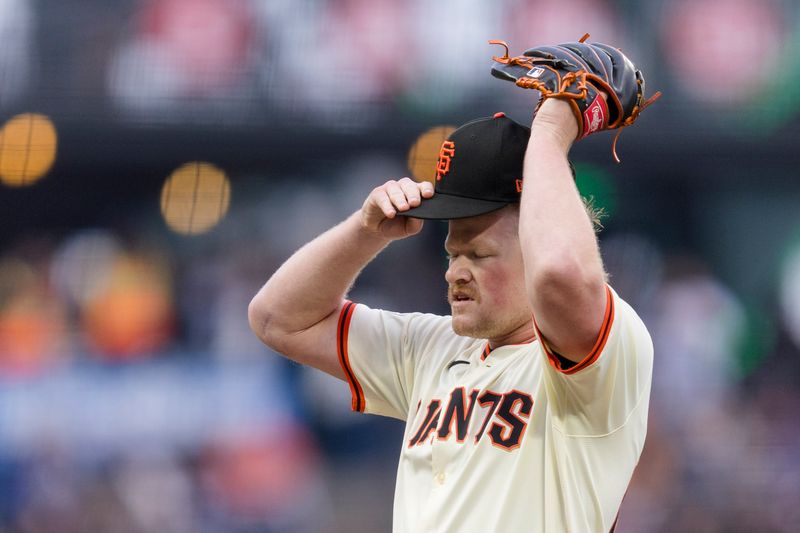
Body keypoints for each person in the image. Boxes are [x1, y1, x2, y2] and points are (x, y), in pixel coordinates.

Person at [248, 97, 653, 532]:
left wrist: (552, 133)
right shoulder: (430, 347)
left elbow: (560, 275)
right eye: (452, 253)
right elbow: (277, 318)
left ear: (535, 247)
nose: (457, 272)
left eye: (478, 254)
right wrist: (364, 233)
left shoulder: (602, 355)